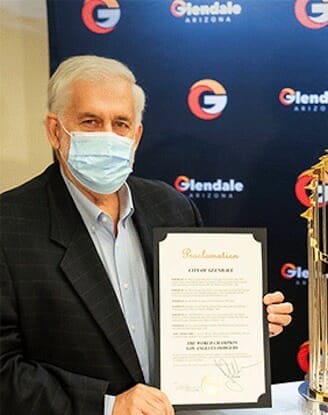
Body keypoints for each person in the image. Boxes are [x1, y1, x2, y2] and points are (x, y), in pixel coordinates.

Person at [0, 55, 293, 415]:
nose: (108, 135)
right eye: (90, 121)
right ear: (55, 131)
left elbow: (195, 317)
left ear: (136, 136)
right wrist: (109, 406)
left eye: (120, 123)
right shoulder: (9, 226)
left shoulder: (172, 208)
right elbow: (4, 371)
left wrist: (242, 323)